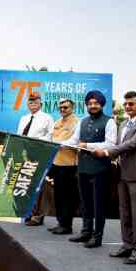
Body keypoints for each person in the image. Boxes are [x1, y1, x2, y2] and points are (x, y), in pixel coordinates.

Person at [94, 91, 136, 265]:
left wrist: (107, 152)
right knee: (124, 212)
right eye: (126, 104)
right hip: (122, 174)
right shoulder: (122, 124)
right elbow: (118, 145)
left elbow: (131, 144)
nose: (128, 106)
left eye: (132, 104)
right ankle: (127, 245)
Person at [59, 90, 117, 247]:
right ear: (86, 105)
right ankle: (86, 232)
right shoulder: (82, 122)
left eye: (96, 103)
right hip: (83, 168)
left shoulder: (109, 121)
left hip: (100, 169)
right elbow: (74, 140)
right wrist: (59, 144)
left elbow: (111, 144)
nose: (93, 106)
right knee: (85, 203)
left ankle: (97, 237)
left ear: (102, 104)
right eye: (90, 103)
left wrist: (88, 145)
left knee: (98, 204)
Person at [17, 92, 55, 226]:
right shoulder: (23, 118)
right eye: (30, 101)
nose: (32, 103)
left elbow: (51, 137)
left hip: (40, 155)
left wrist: (35, 141)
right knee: (27, 185)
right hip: (26, 155)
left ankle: (38, 216)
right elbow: (19, 135)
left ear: (41, 103)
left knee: (39, 187)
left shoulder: (47, 118)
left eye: (35, 101)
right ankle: (28, 213)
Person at [45, 98, 79, 234]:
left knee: (67, 197)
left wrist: (58, 142)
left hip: (69, 165)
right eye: (61, 107)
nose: (63, 109)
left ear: (72, 108)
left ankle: (67, 225)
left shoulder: (77, 123)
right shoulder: (57, 122)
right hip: (56, 163)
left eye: (66, 107)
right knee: (58, 195)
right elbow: (50, 138)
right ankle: (60, 223)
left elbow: (74, 142)